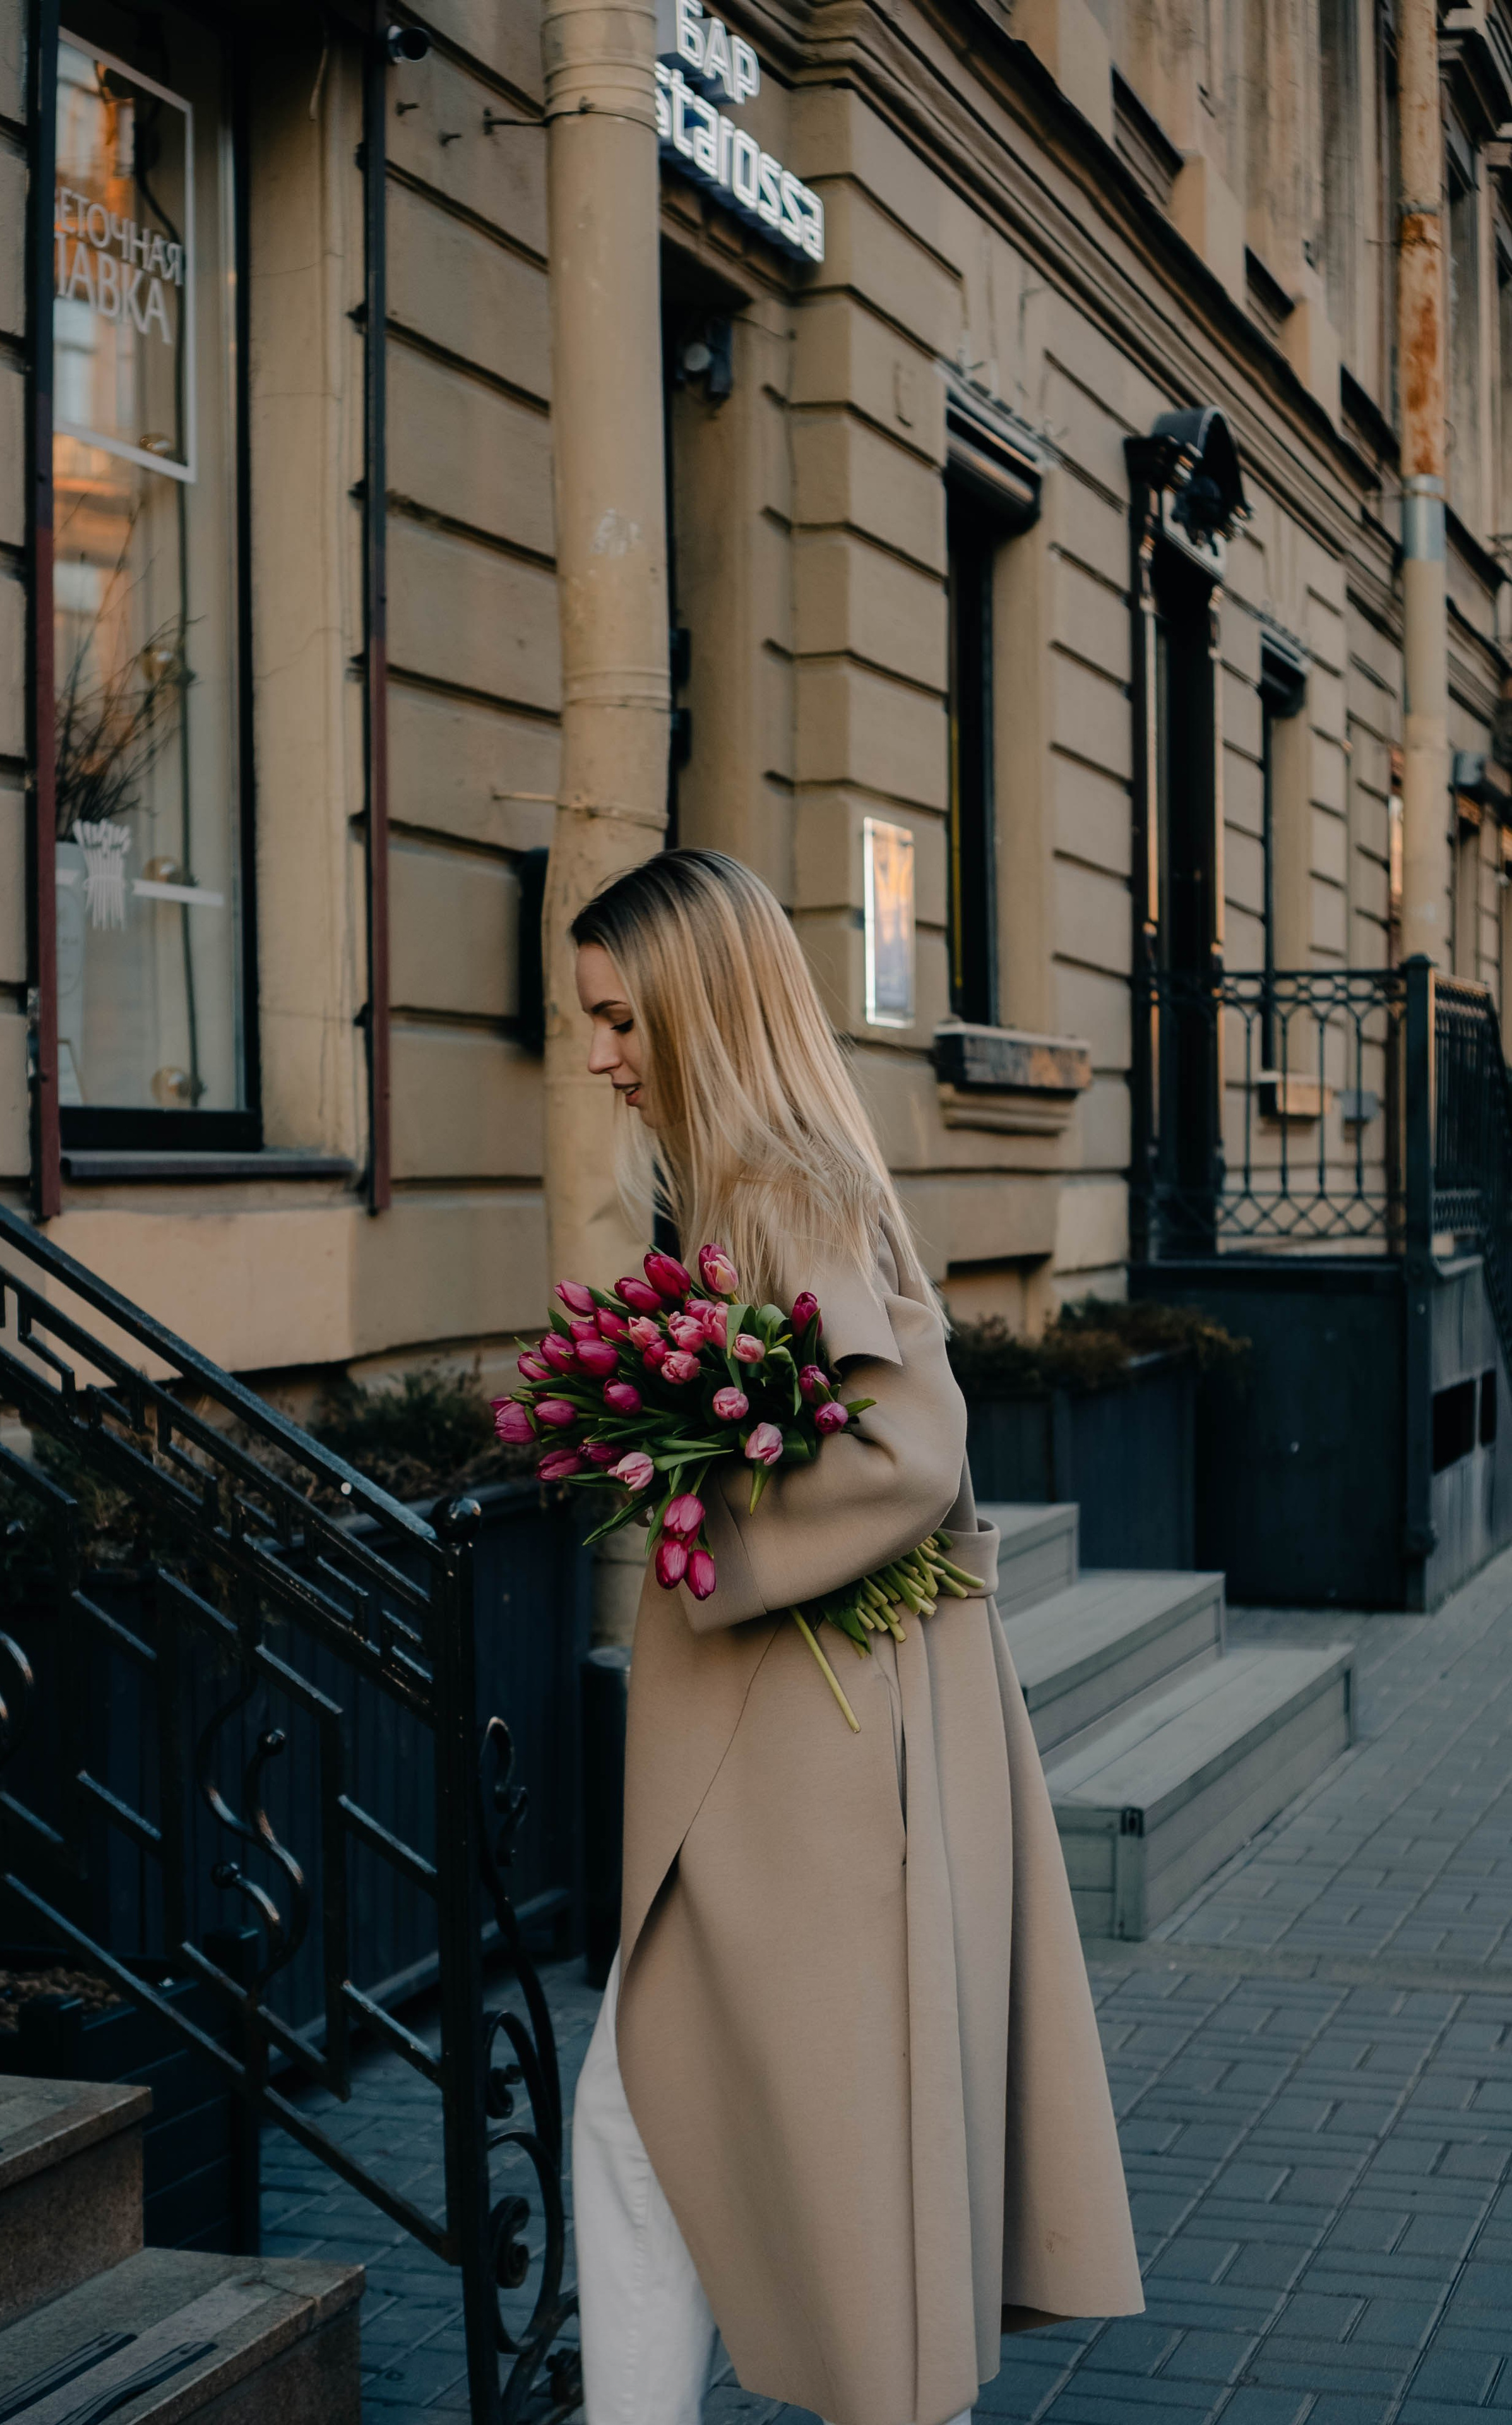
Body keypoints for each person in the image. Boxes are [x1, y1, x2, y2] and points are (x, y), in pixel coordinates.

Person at [567, 849, 1143, 2425]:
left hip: (806, 1760)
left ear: (694, 1004)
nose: (600, 1054)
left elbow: (906, 1450)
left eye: (618, 1018)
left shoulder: (772, 1189)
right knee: (688, 2123)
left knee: (672, 2121)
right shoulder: (761, 1176)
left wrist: (701, 1530)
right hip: (811, 1749)